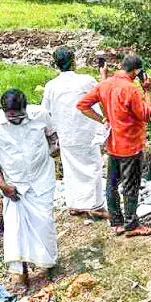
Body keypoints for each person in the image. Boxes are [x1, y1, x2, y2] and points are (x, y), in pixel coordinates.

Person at [0, 89, 60, 291]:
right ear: (4, 111)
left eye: (20, 116)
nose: (16, 120)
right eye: (11, 117)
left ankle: (45, 266)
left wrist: (52, 151)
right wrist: (2, 184)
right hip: (13, 186)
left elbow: (52, 136)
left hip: (41, 180)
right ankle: (19, 274)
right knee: (16, 230)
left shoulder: (40, 114)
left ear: (25, 108)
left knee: (44, 224)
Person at [77, 55, 151, 237]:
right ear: (136, 71)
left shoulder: (104, 84)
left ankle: (116, 222)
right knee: (130, 185)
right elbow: (145, 115)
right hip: (130, 144)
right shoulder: (130, 89)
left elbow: (82, 105)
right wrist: (147, 91)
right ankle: (132, 224)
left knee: (111, 184)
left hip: (112, 143)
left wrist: (102, 119)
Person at [42, 46, 107, 219]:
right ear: (73, 61)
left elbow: (45, 112)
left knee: (71, 170)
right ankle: (95, 206)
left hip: (65, 133)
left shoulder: (51, 86)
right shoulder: (85, 80)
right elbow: (101, 96)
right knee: (92, 167)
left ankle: (76, 205)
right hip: (87, 131)